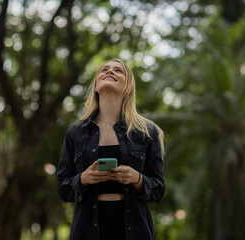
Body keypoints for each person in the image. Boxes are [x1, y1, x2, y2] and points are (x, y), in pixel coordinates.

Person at [57, 59, 165, 240]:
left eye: (118, 71)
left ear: (128, 87)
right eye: (104, 70)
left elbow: (158, 190)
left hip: (135, 231)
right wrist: (83, 179)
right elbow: (63, 188)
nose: (110, 72)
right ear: (96, 86)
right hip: (87, 231)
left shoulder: (147, 132)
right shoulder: (76, 132)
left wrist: (136, 178)